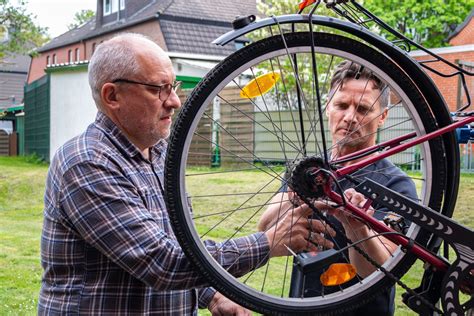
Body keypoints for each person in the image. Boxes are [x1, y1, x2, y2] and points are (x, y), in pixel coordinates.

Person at [38, 33, 319, 315]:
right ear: (112, 96)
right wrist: (268, 242)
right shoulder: (87, 161)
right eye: (158, 89)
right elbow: (162, 262)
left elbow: (178, 244)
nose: (174, 101)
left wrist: (211, 295)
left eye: (173, 86)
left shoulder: (160, 154)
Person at [258, 61, 418, 315]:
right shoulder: (309, 169)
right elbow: (265, 228)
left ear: (383, 116)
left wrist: (357, 226)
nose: (350, 117)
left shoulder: (396, 185)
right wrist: (295, 198)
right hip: (303, 306)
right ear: (328, 107)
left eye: (363, 109)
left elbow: (382, 271)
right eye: (342, 105)